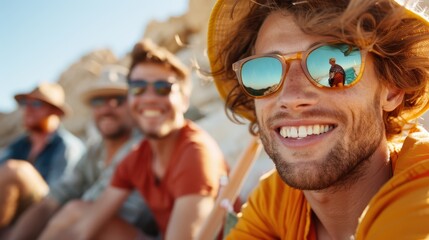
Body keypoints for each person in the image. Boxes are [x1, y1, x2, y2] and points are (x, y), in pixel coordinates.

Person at [207, 0, 429, 239]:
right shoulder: (276, 201)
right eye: (265, 71)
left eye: (327, 59)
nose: (291, 97)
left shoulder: (420, 196)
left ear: (392, 89)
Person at [39, 39, 229, 240]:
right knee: (77, 211)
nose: (149, 98)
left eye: (163, 87)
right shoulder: (138, 156)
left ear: (184, 100)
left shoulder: (195, 154)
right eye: (138, 88)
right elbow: (84, 227)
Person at [4, 66, 159, 240]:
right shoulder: (94, 151)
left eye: (117, 100)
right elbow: (55, 198)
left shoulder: (141, 147)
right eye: (98, 102)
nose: (106, 109)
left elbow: (90, 213)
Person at [0, 82, 85, 233]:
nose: (28, 109)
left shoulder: (67, 147)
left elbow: (59, 198)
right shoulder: (17, 145)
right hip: (12, 212)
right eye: (25, 103)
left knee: (16, 171)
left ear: (55, 112)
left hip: (45, 212)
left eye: (37, 104)